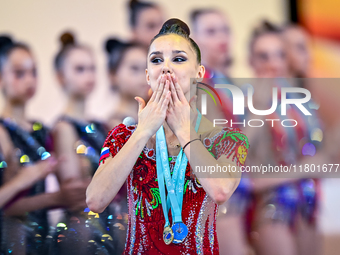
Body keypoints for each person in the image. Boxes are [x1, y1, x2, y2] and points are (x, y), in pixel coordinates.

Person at [87, 18, 249, 254]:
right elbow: (95, 201)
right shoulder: (124, 135)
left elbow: (221, 190)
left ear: (200, 73)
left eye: (179, 59)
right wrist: (143, 131)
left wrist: (184, 130)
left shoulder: (228, 140)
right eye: (156, 60)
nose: (166, 67)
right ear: (147, 74)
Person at [246, 21, 323, 255]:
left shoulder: (299, 102)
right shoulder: (244, 102)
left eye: (279, 54)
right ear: (251, 61)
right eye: (263, 56)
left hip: (307, 205)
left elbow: (319, 154)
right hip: (271, 208)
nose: (273, 64)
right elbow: (243, 171)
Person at [0, 35, 77, 254]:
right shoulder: (2, 131)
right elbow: (7, 207)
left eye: (34, 72)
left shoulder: (42, 130)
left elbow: (66, 183)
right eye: (19, 73)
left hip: (41, 235)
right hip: (12, 238)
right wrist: (48, 195)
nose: (29, 80)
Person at [191, 9, 253, 255]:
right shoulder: (198, 87)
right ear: (194, 39)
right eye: (211, 31)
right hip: (219, 195)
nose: (222, 37)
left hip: (244, 189)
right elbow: (223, 143)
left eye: (225, 29)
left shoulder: (229, 84)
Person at [50, 32, 115, 255]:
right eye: (79, 69)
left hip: (111, 219)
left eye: (92, 68)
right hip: (84, 226)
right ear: (60, 76)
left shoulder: (101, 124)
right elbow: (75, 190)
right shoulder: (64, 127)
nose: (88, 75)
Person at [105, 38, 149, 127]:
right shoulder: (112, 125)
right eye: (135, 68)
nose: (143, 76)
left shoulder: (153, 120)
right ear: (113, 74)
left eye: (147, 69)